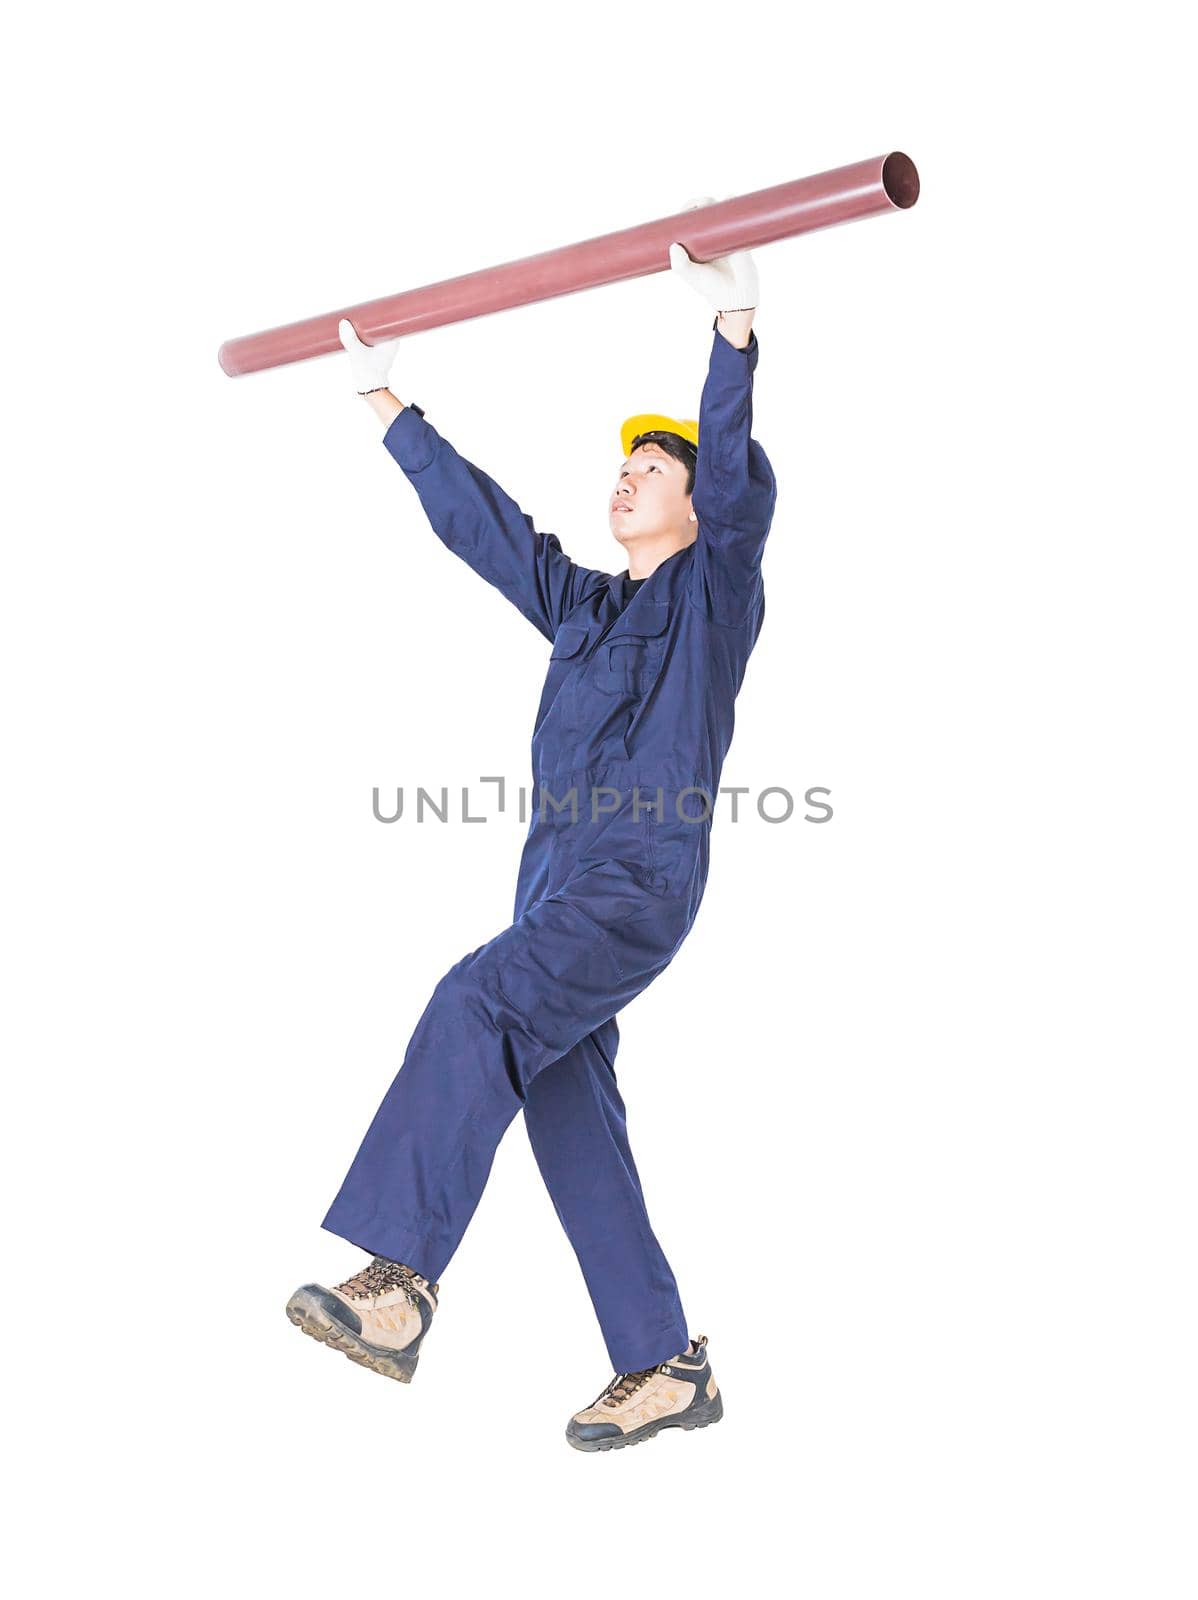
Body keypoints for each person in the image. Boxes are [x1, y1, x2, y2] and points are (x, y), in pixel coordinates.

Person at [286, 230, 777, 1453]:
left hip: (634, 882)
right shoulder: (585, 609)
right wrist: (385, 401)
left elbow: (736, 497)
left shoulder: (714, 594)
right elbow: (489, 528)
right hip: (555, 888)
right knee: (562, 1099)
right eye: (622, 464)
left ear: (700, 492)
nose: (628, 476)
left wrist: (729, 340)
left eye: (655, 465)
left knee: (474, 1003)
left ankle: (396, 1282)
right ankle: (664, 1362)